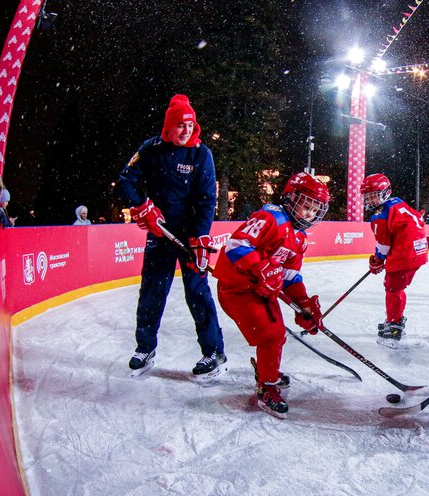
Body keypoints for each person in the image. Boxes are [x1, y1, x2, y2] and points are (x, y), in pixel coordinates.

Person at [113, 94, 225, 379]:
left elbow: (206, 200)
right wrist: (140, 205)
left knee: (198, 294)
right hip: (159, 232)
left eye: (190, 124)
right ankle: (145, 348)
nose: (186, 130)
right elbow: (125, 179)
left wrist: (200, 238)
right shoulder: (151, 148)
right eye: (180, 125)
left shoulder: (201, 154)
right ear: (169, 126)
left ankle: (213, 352)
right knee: (152, 291)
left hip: (190, 239)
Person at [212, 172, 329, 418]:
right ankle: (266, 386)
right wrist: (261, 267)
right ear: (290, 198)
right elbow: (236, 245)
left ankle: (267, 371)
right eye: (305, 205)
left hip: (259, 291)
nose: (308, 213)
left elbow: (289, 277)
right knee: (272, 335)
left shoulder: (300, 238)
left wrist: (304, 304)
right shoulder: (271, 217)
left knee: (276, 335)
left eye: (314, 210)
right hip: (237, 289)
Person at [360, 173, 428, 347]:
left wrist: (377, 260)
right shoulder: (397, 202)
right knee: (398, 288)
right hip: (418, 253)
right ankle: (397, 319)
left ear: (384, 193)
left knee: (392, 289)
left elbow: (383, 245)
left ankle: (394, 326)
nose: (371, 200)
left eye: (374, 195)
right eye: (368, 196)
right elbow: (416, 219)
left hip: (404, 256)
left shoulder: (380, 215)